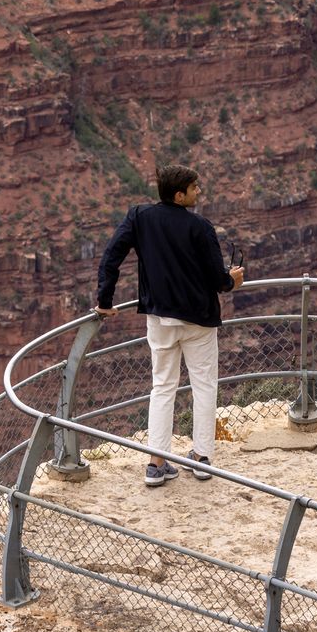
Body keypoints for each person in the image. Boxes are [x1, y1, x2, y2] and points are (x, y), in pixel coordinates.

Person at [94, 165, 245, 487]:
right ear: (180, 195)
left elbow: (111, 258)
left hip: (160, 319)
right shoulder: (200, 227)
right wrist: (232, 280)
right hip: (198, 321)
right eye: (194, 188)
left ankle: (156, 463)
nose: (199, 192)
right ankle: (202, 459)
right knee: (204, 385)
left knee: (162, 386)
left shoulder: (139, 217)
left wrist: (105, 301)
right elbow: (217, 280)